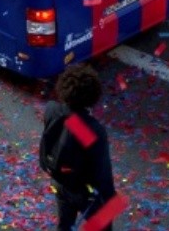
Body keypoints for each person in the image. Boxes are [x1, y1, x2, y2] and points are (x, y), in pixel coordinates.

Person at [40, 65, 116, 230]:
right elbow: (102, 172)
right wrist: (110, 199)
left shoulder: (52, 109)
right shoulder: (90, 130)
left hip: (61, 181)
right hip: (84, 191)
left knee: (65, 223)